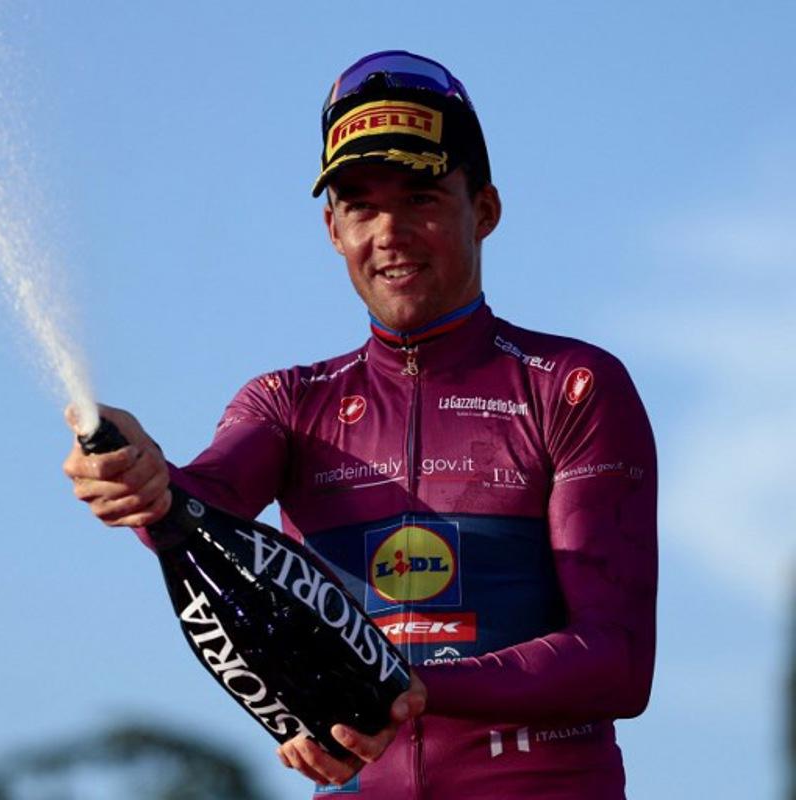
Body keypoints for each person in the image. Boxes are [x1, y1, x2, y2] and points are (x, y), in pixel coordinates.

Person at [63, 50, 657, 800]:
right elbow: (189, 514)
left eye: (421, 199)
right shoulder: (287, 401)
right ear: (331, 229)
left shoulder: (572, 386)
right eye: (360, 205)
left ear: (485, 210)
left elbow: (618, 661)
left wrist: (413, 686)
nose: (390, 232)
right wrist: (135, 472)